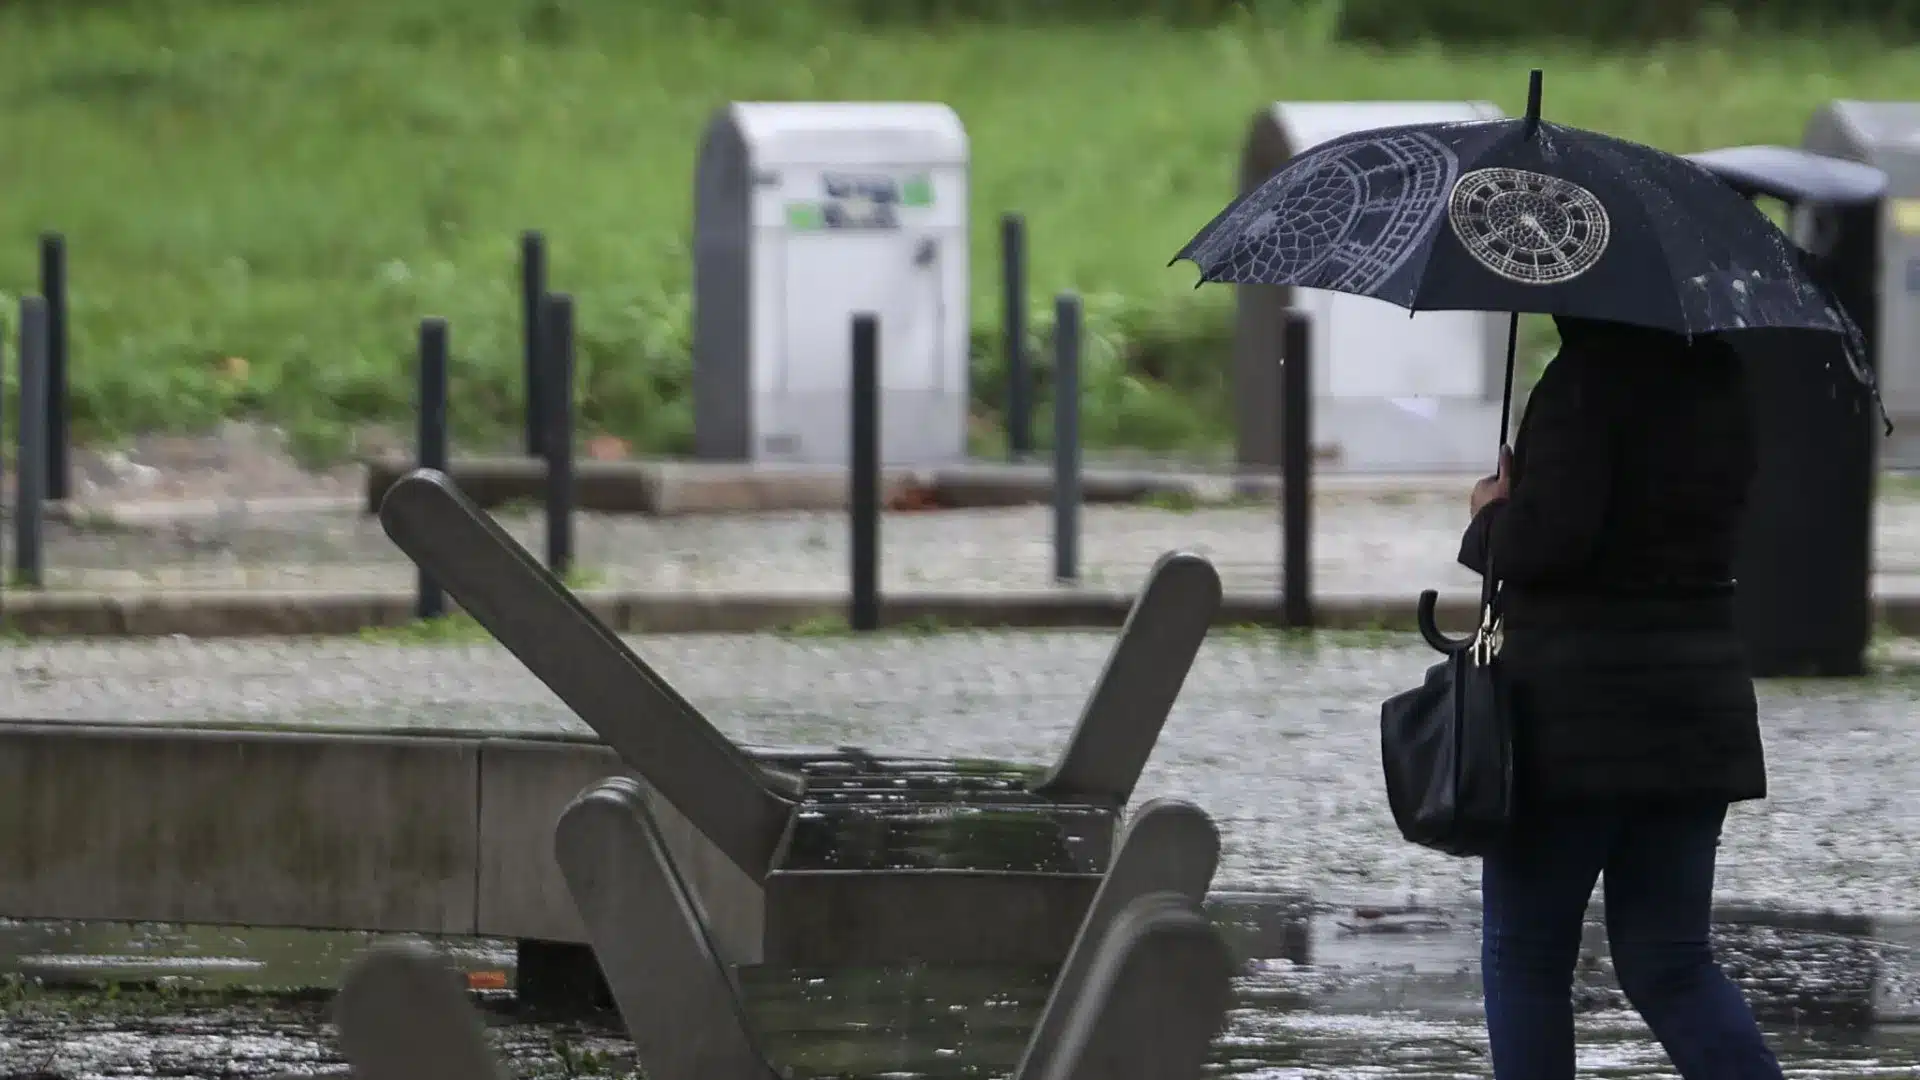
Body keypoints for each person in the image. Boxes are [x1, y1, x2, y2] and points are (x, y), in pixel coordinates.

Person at [1457, 315, 1782, 1080]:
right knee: (1671, 963)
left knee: (1526, 958)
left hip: (1574, 722)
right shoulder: (1719, 375)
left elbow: (1549, 542)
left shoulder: (1586, 379)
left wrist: (1490, 513)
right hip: (1696, 708)